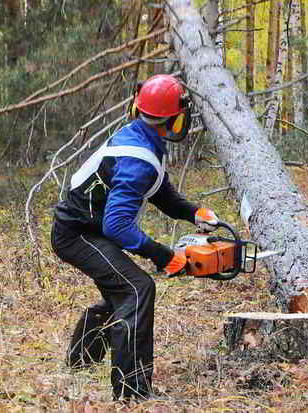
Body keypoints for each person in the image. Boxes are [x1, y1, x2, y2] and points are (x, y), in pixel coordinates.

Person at [50, 74, 219, 401]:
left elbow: (159, 191)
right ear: (175, 117)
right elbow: (117, 226)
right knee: (137, 290)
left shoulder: (140, 138)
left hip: (87, 228)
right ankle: (132, 392)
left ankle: (80, 361)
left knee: (121, 292)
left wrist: (194, 212)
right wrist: (162, 255)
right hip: (78, 234)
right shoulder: (138, 156)